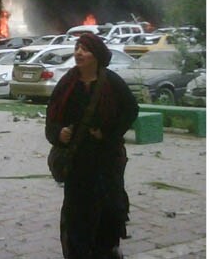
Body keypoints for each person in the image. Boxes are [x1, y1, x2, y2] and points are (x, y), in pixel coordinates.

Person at [45, 33, 138, 259]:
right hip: (77, 162)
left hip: (106, 160)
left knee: (108, 209)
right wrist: (59, 133)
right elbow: (52, 116)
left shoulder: (111, 82)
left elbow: (130, 110)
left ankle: (106, 250)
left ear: (96, 56)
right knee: (76, 212)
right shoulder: (67, 83)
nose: (78, 53)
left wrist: (107, 133)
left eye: (84, 49)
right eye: (77, 48)